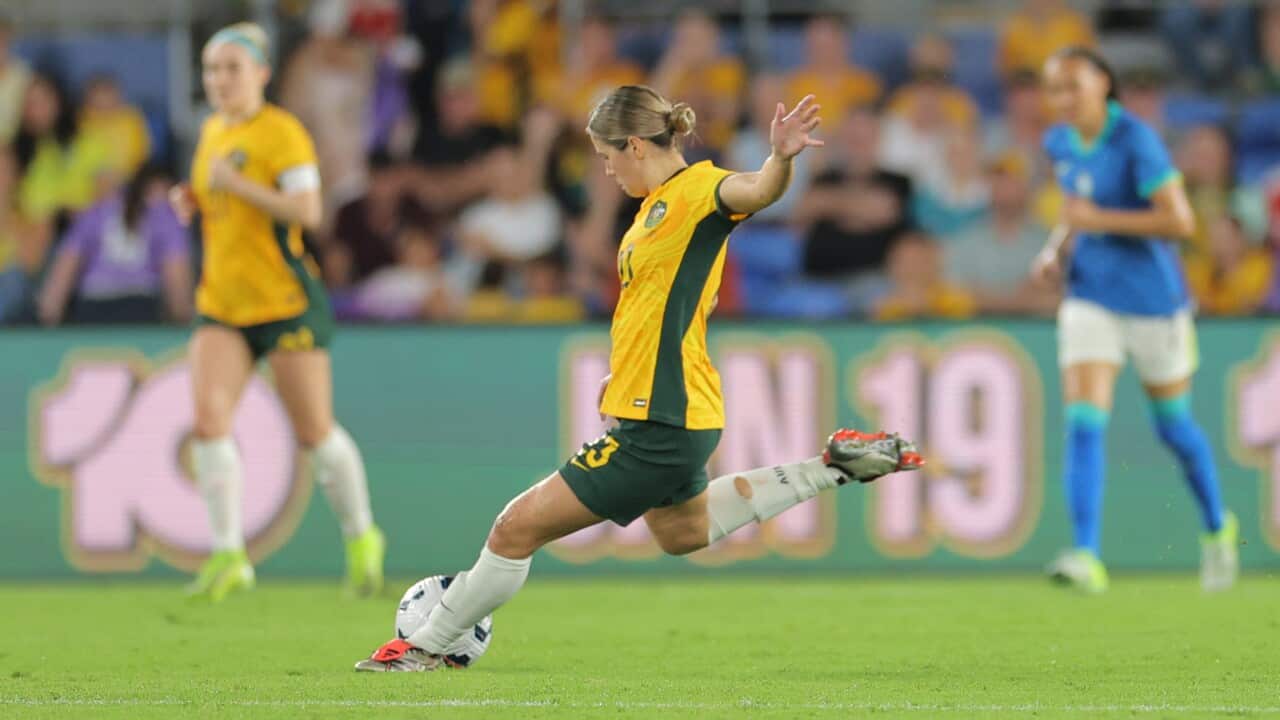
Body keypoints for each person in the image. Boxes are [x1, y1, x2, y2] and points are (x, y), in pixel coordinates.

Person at [353, 86, 923, 671]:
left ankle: (424, 645)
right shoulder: (654, 208)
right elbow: (650, 308)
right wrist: (622, 377)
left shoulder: (702, 190)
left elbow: (754, 190)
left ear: (632, 144)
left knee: (515, 529)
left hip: (663, 418)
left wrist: (779, 159)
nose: (604, 168)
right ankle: (831, 466)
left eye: (606, 156)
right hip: (673, 409)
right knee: (682, 531)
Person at [169, 23, 384, 602]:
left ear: (261, 73)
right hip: (223, 302)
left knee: (313, 431)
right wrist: (195, 199)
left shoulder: (283, 133)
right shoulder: (212, 131)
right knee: (209, 423)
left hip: (284, 302)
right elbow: (221, 204)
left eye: (232, 68)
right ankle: (230, 555)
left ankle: (362, 536)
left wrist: (235, 185)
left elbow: (309, 211)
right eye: (212, 70)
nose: (220, 81)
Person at [1032, 47, 1236, 594]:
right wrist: (1056, 248)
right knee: (1083, 421)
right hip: (1090, 296)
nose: (1064, 99)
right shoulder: (1058, 142)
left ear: (1103, 83)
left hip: (1153, 302)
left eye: (1073, 85)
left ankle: (1218, 526)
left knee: (1173, 427)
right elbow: (1075, 208)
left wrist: (1098, 220)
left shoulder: (1135, 140)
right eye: (1055, 90)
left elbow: (1180, 220)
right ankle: (1086, 554)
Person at [36, 165, 191, 325]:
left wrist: (49, 320)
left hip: (93, 308)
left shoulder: (96, 211)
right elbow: (177, 281)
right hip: (141, 309)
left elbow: (63, 273)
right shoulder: (166, 216)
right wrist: (182, 320)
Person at [1184, 216, 1272, 316]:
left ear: (1240, 239)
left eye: (1224, 237)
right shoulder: (1202, 270)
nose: (1218, 244)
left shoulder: (1259, 265)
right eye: (1213, 238)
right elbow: (1199, 303)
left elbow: (1250, 303)